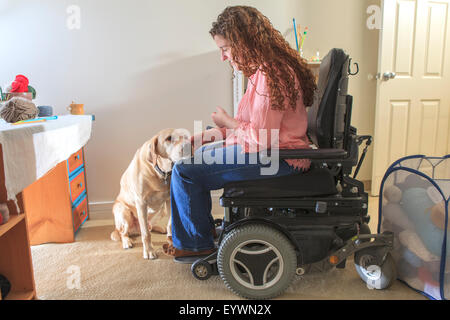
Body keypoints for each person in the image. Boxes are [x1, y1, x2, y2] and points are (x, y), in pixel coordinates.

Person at [163, 5, 317, 258]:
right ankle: (200, 232)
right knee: (192, 158)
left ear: (243, 42)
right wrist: (205, 137)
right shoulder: (263, 72)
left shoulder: (271, 74)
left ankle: (194, 245)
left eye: (225, 49)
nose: (223, 57)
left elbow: (260, 138)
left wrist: (228, 122)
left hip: (280, 158)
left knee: (185, 171)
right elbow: (248, 128)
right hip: (272, 151)